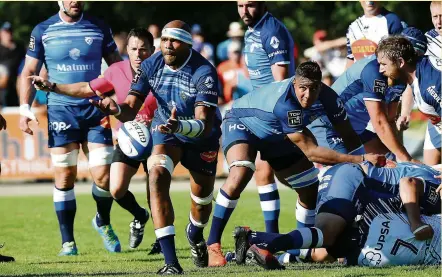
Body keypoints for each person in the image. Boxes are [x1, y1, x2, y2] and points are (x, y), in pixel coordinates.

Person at [206, 61, 384, 267]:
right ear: (294, 84)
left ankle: (300, 250)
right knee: (241, 172)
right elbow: (312, 152)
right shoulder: (286, 103)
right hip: (242, 123)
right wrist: (360, 160)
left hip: (278, 135)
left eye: (314, 88)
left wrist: (365, 173)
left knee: (310, 189)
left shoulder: (328, 97)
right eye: (303, 88)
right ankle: (213, 245)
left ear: (321, 85)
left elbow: (349, 136)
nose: (308, 95)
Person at [90, 20, 221, 275]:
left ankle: (194, 233)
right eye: (164, 39)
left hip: (200, 138)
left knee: (202, 202)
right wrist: (115, 108)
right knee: (157, 175)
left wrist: (179, 126)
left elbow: (204, 123)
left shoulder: (204, 71)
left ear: (187, 44)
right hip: (165, 132)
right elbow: (129, 108)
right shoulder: (151, 64)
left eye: (174, 41)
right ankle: (171, 263)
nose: (168, 45)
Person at [29, 28, 158, 250]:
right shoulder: (116, 71)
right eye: (134, 49)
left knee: (155, 188)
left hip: (158, 137)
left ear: (152, 50)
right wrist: (52, 86)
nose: (138, 54)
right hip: (130, 138)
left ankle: (161, 240)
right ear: (126, 50)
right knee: (114, 188)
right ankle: (137, 216)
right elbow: (85, 88)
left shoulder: (164, 71)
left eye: (144, 49)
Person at [18, 1, 122, 256]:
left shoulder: (99, 27)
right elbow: (29, 71)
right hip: (61, 110)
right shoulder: (43, 30)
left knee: (104, 177)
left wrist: (123, 104)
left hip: (95, 109)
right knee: (65, 176)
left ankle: (102, 221)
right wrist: (24, 109)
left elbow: (117, 67)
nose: (76, 0)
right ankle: (68, 242)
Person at [234, 161, 441, 269]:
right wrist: (416, 223)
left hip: (361, 192)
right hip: (353, 181)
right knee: (328, 233)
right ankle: (262, 242)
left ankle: (251, 245)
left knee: (323, 254)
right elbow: (409, 184)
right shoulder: (436, 185)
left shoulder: (428, 170)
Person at [233, 0, 296, 240]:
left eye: (249, 5)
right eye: (239, 5)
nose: (244, 11)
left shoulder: (271, 30)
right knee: (266, 172)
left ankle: (330, 199)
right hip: (262, 109)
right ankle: (273, 237)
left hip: (274, 112)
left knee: (286, 175)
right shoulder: (253, 30)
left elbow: (280, 81)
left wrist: (269, 113)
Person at [323, 36, 419, 162]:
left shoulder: (398, 75)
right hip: (329, 127)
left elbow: (389, 119)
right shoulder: (374, 71)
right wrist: (408, 159)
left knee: (390, 159)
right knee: (357, 172)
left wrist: (402, 156)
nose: (381, 68)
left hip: (355, 130)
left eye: (383, 64)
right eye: (380, 63)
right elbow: (379, 122)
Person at [345, 1, 404, 69]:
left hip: (383, 77)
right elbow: (350, 59)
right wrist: (343, 79)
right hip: (358, 78)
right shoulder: (353, 27)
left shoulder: (392, 20)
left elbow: (400, 57)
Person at [217, 40, 252, 106]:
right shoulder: (222, 67)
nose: (236, 55)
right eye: (234, 52)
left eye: (238, 52)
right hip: (226, 102)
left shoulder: (244, 66)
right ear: (228, 53)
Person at [0, 22, 25, 106]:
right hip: (2, 88)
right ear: (1, 33)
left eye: (10, 31)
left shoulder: (20, 48)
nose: (8, 34)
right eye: (6, 32)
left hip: (18, 86)